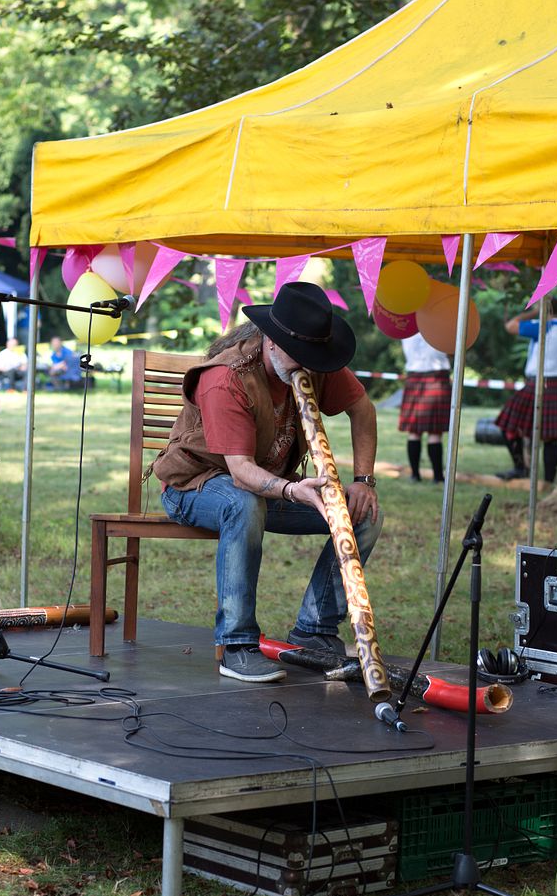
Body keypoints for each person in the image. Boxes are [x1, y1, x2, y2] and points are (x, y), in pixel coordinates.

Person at [153, 282, 383, 684]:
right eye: (302, 357)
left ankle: (313, 630)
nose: (308, 367)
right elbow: (240, 471)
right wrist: (294, 489)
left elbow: (363, 409)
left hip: (270, 484)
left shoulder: (309, 358)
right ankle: (238, 644)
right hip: (196, 485)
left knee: (361, 515)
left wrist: (363, 480)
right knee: (241, 503)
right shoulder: (227, 378)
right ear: (271, 343)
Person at [495, 297, 557, 483]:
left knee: (508, 426)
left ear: (546, 311)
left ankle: (521, 468)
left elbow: (510, 326)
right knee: (552, 436)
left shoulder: (542, 326)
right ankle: (549, 481)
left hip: (537, 384)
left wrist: (536, 311)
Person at [397, 332, 451, 484]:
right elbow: (451, 351)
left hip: (414, 377)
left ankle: (415, 475)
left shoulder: (404, 326)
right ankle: (438, 477)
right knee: (435, 432)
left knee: (414, 432)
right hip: (437, 377)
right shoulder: (438, 325)